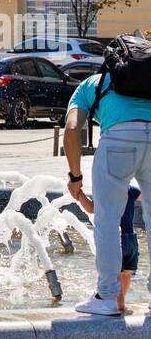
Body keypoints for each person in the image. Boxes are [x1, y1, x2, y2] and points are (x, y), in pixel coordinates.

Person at [64, 65, 151, 316]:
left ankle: (107, 297)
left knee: (107, 219)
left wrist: (75, 177)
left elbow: (71, 130)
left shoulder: (93, 84)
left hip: (118, 141)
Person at [74, 184, 141, 312]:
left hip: (116, 236)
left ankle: (118, 303)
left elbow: (91, 208)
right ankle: (122, 302)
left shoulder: (105, 186)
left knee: (115, 273)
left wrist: (80, 194)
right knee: (126, 272)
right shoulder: (130, 188)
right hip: (131, 237)